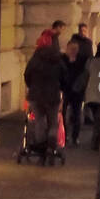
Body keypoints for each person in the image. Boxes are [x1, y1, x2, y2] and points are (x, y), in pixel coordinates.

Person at [23, 29, 65, 160]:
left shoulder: (35, 59)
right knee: (53, 122)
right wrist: (61, 87)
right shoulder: (57, 59)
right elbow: (64, 75)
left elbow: (27, 75)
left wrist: (32, 87)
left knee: (39, 121)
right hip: (52, 95)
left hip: (36, 96)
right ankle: (51, 146)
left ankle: (41, 145)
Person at [61, 38, 89, 147]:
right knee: (63, 114)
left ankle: (75, 136)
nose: (73, 51)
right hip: (65, 90)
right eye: (71, 49)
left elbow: (85, 75)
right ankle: (65, 135)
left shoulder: (82, 60)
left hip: (77, 91)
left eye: (75, 49)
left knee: (76, 114)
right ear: (67, 49)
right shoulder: (62, 59)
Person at [84, 41, 100, 150]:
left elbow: (86, 74)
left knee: (97, 119)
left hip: (91, 95)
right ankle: (97, 142)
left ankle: (96, 141)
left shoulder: (91, 61)